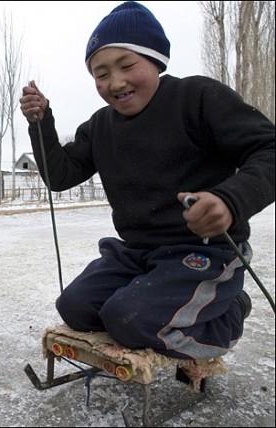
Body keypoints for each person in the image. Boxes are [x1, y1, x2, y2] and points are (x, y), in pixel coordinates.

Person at [19, 1, 274, 360]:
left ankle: (228, 314)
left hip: (204, 251)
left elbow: (269, 148)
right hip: (137, 253)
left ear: (155, 59)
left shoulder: (197, 98)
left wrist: (230, 201)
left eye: (127, 65)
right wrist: (42, 124)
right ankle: (167, 302)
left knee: (128, 319)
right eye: (101, 73)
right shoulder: (99, 125)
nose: (116, 81)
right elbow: (61, 176)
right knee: (75, 307)